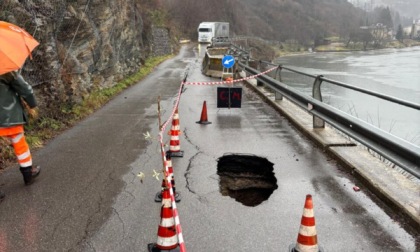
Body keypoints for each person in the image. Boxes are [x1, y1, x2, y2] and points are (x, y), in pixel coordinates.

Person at [0, 71, 41, 194]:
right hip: (9, 115)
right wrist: (32, 104)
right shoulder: (4, 66)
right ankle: (28, 173)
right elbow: (24, 88)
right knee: (19, 143)